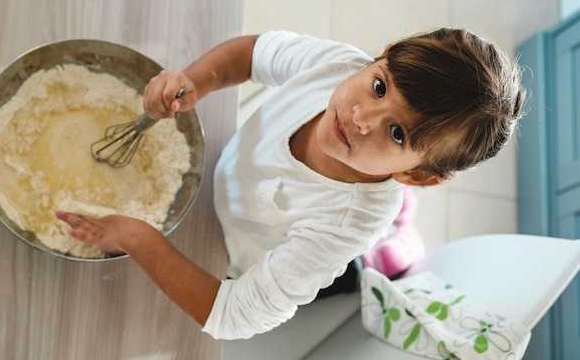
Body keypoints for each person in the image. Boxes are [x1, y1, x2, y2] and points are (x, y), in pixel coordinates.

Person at [56, 28, 525, 340]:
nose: (360, 116)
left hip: (252, 252)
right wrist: (197, 80)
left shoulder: (341, 225)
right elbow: (250, 54)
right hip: (238, 186)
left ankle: (385, 255)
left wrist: (139, 238)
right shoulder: (337, 66)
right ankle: (397, 230)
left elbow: (237, 314)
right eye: (380, 87)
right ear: (380, 57)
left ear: (416, 174)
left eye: (397, 133)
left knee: (348, 274)